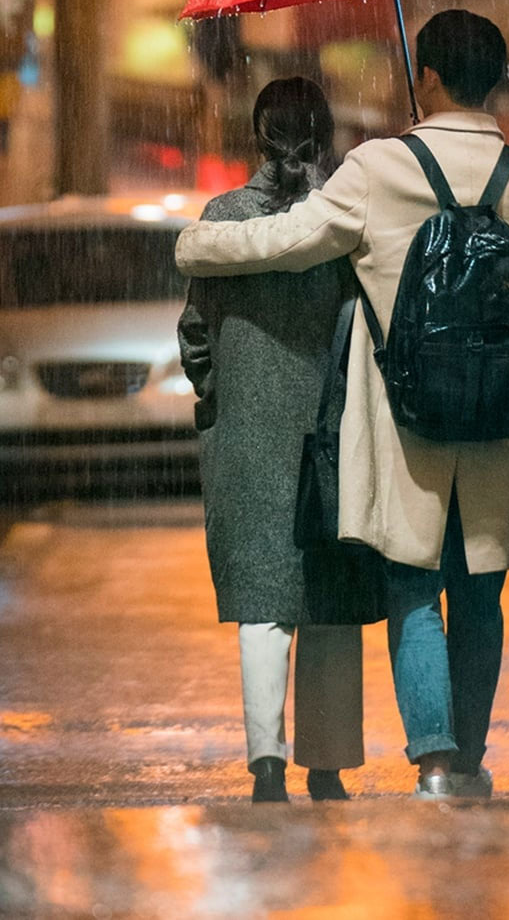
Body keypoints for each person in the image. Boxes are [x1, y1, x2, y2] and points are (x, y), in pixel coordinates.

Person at [176, 12, 509, 800]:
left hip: (406, 415)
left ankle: (436, 762)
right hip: (493, 412)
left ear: (428, 79)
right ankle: (474, 757)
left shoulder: (381, 166)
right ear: (495, 78)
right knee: (480, 587)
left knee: (414, 583)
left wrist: (196, 245)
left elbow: (289, 238)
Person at [177, 77, 381, 805]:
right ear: (325, 138)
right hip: (332, 427)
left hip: (245, 432)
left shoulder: (223, 217)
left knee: (264, 595)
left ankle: (267, 762)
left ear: (256, 138)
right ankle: (325, 767)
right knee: (329, 592)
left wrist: (221, 390)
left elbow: (195, 333)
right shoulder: (345, 221)